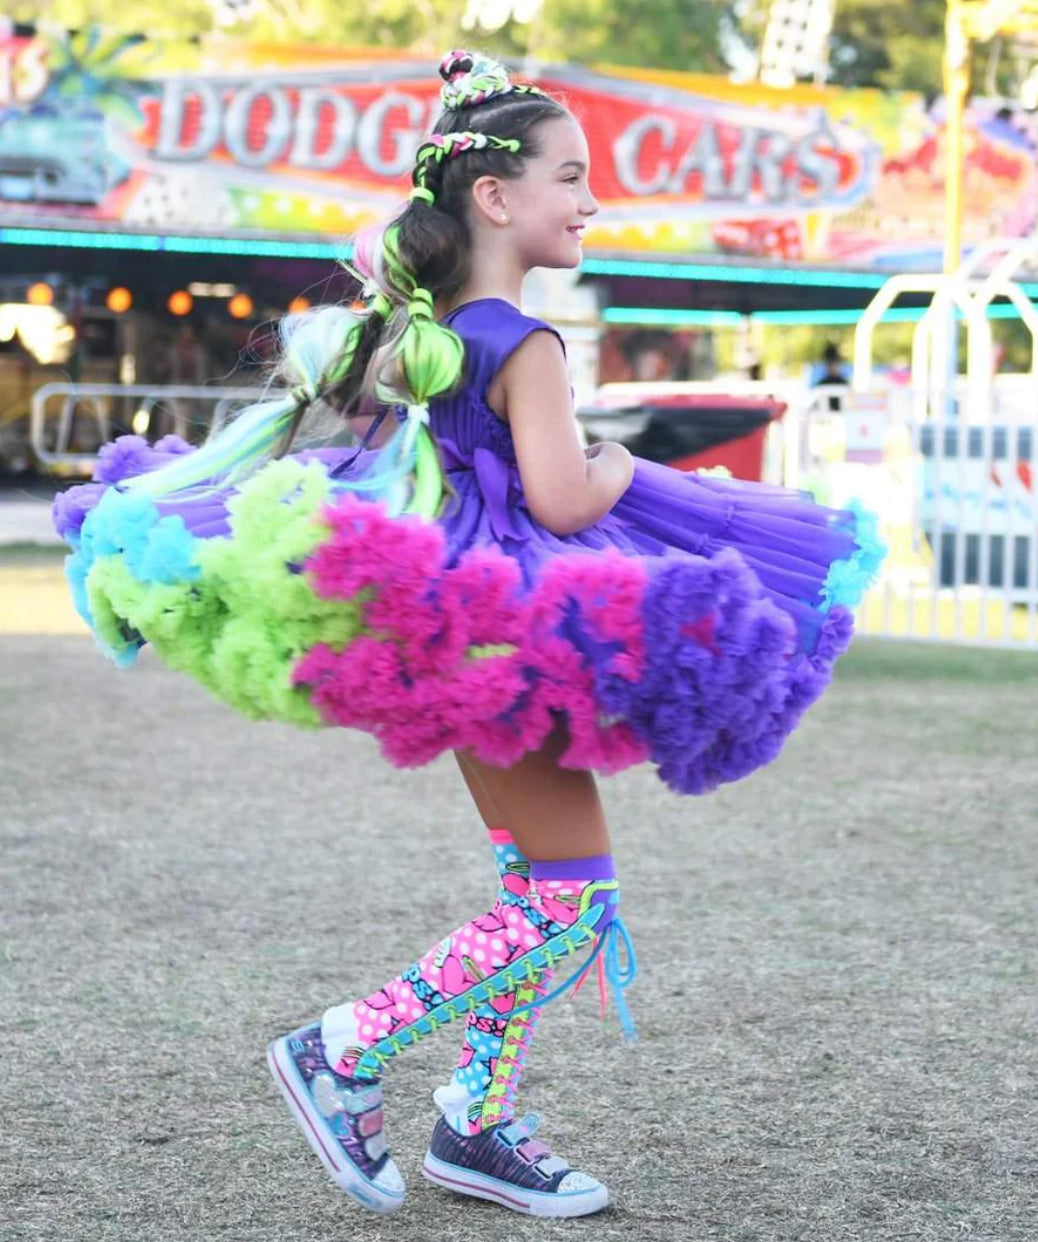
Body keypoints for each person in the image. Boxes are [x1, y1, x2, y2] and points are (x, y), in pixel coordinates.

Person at [52, 51, 884, 1220]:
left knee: (540, 880)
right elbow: (558, 498)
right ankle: (342, 1050)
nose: (591, 202)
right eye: (570, 177)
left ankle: (476, 1124)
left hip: (458, 620)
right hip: (514, 629)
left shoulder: (434, 331)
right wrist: (626, 464)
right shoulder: (523, 344)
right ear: (495, 198)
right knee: (569, 899)